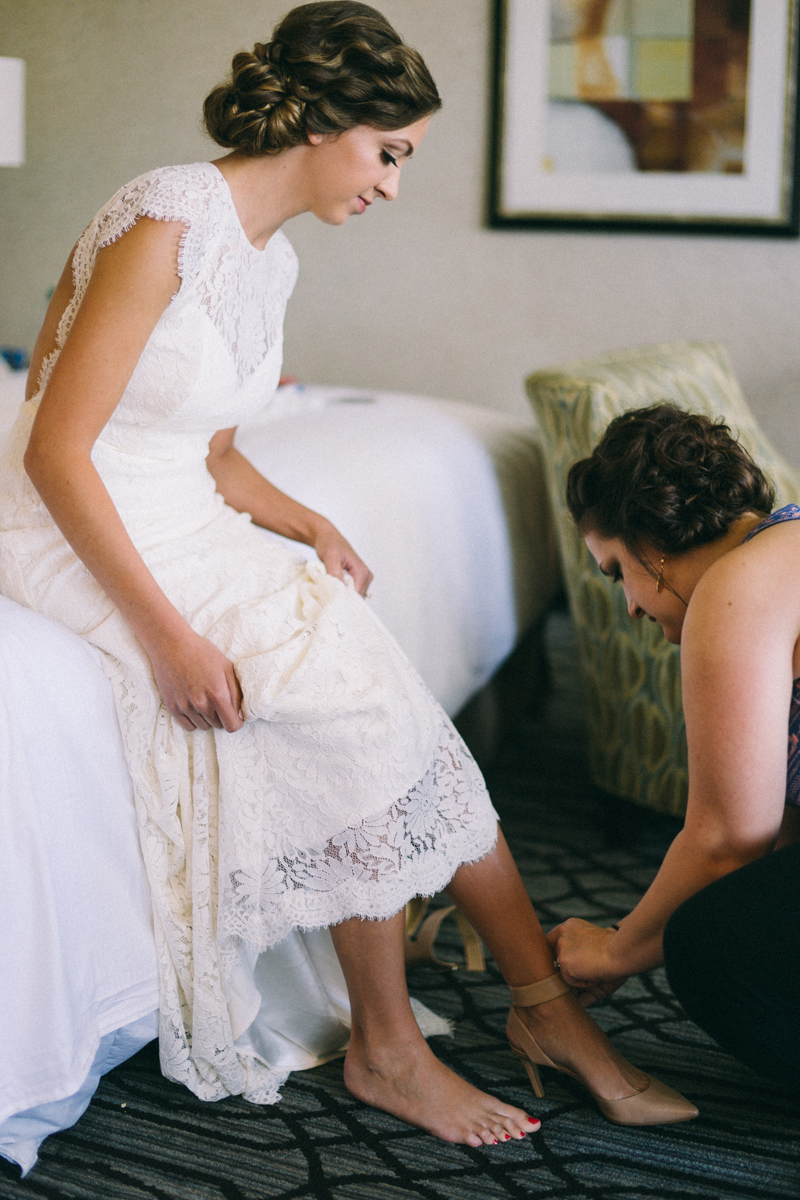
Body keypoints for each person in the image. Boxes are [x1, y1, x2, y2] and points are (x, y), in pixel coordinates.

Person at [0, 2, 696, 1143]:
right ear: (326, 123)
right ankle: (402, 1047)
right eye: (389, 153)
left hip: (177, 509)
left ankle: (541, 1012)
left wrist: (307, 519)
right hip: (69, 527)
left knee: (381, 692)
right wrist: (170, 636)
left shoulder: (265, 263)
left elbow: (214, 447)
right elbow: (53, 449)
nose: (390, 185)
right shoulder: (165, 216)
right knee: (335, 702)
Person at [552, 403, 800, 1095]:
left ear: (649, 546)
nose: (629, 606)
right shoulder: (788, 545)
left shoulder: (737, 585)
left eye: (614, 571)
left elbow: (727, 838)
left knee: (709, 946)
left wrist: (616, 951)